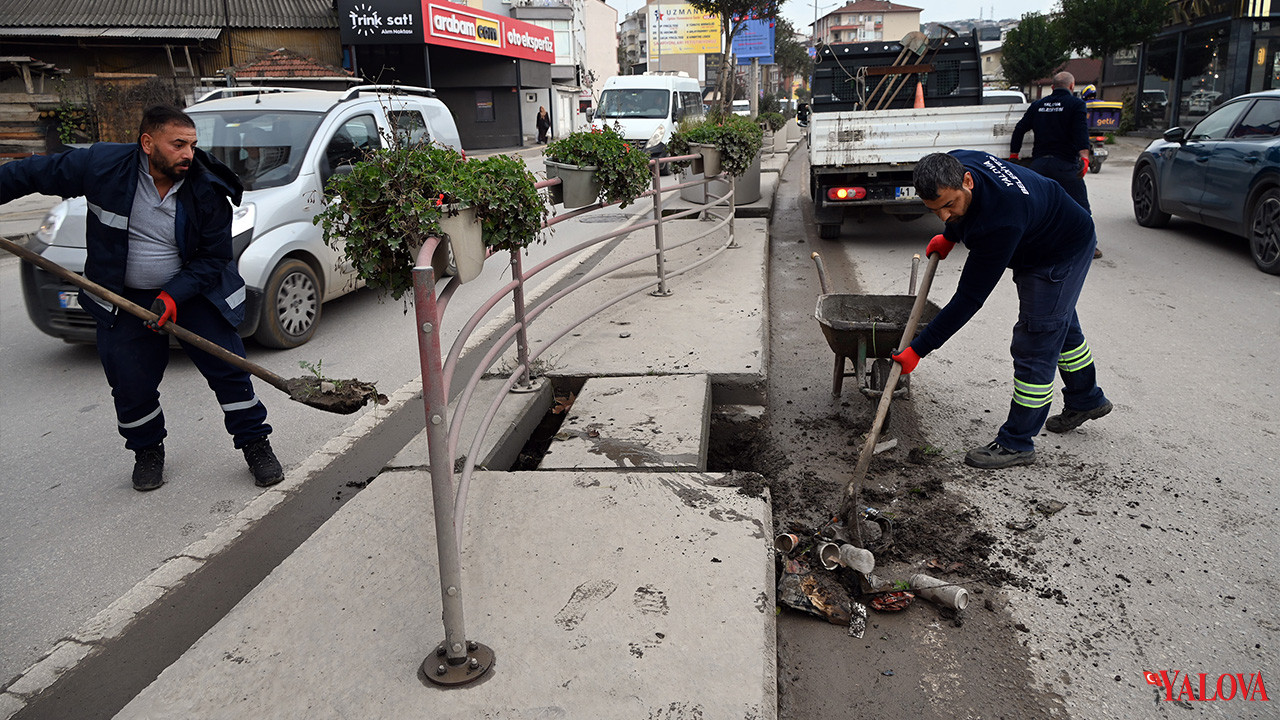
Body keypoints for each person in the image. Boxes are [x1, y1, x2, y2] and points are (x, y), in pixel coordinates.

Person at [0, 105, 285, 492]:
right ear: (148, 143)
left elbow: (213, 258)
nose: (188, 153)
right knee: (130, 382)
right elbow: (31, 171)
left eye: (193, 144)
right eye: (178, 144)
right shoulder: (103, 166)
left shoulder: (207, 186)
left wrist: (173, 295)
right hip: (122, 295)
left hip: (194, 291)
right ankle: (148, 451)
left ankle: (256, 444)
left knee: (231, 372)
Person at [891, 151, 1112, 469]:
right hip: (1037, 233)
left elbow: (968, 298)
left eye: (949, 206)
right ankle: (1086, 398)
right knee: (1057, 324)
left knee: (1035, 340)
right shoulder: (958, 161)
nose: (943, 215)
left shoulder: (1000, 219)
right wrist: (950, 235)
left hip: (1059, 250)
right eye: (934, 210)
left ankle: (1017, 442)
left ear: (967, 180)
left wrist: (919, 349)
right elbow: (964, 211)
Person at [1009, 71, 1102, 259]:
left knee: (1032, 205)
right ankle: (1090, 247)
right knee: (1081, 207)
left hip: (1040, 165)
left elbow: (1020, 128)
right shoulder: (1076, 104)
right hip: (1065, 166)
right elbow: (1080, 132)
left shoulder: (1038, 105)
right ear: (1071, 86)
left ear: (1052, 87)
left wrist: (1014, 155)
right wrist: (1084, 157)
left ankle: (1024, 245)